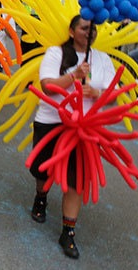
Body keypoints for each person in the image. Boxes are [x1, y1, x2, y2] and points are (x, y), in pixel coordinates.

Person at [30, 15, 113, 259]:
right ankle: (41, 197)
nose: (89, 32)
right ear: (71, 31)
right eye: (84, 28)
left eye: (92, 29)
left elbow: (114, 93)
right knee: (43, 170)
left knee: (77, 179)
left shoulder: (103, 58)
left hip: (83, 129)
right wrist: (74, 75)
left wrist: (97, 93)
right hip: (52, 121)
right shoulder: (56, 53)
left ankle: (68, 232)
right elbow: (47, 86)